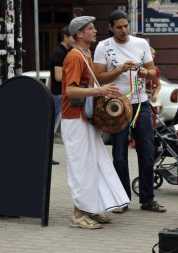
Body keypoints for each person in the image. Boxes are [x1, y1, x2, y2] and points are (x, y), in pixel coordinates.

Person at [94, 10, 166, 213]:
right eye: (119, 27)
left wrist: (145, 72)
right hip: (115, 106)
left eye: (126, 26)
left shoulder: (141, 44)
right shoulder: (103, 47)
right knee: (119, 154)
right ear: (110, 27)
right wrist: (119, 70)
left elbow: (152, 71)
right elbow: (99, 78)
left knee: (147, 151)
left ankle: (147, 198)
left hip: (140, 103)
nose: (123, 30)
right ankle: (121, 198)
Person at [61, 16, 130, 229]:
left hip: (85, 118)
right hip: (74, 119)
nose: (95, 30)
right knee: (82, 167)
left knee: (94, 165)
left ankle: (90, 209)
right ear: (79, 34)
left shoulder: (86, 53)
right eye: (90, 28)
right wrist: (100, 90)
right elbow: (70, 90)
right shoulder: (74, 56)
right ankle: (78, 215)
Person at [48, 26, 75, 165]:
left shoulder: (64, 52)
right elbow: (58, 77)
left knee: (52, 126)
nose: (75, 39)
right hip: (58, 95)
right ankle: (46, 156)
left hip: (57, 94)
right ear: (65, 37)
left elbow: (51, 78)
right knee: (51, 126)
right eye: (72, 37)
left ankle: (46, 156)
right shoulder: (59, 53)